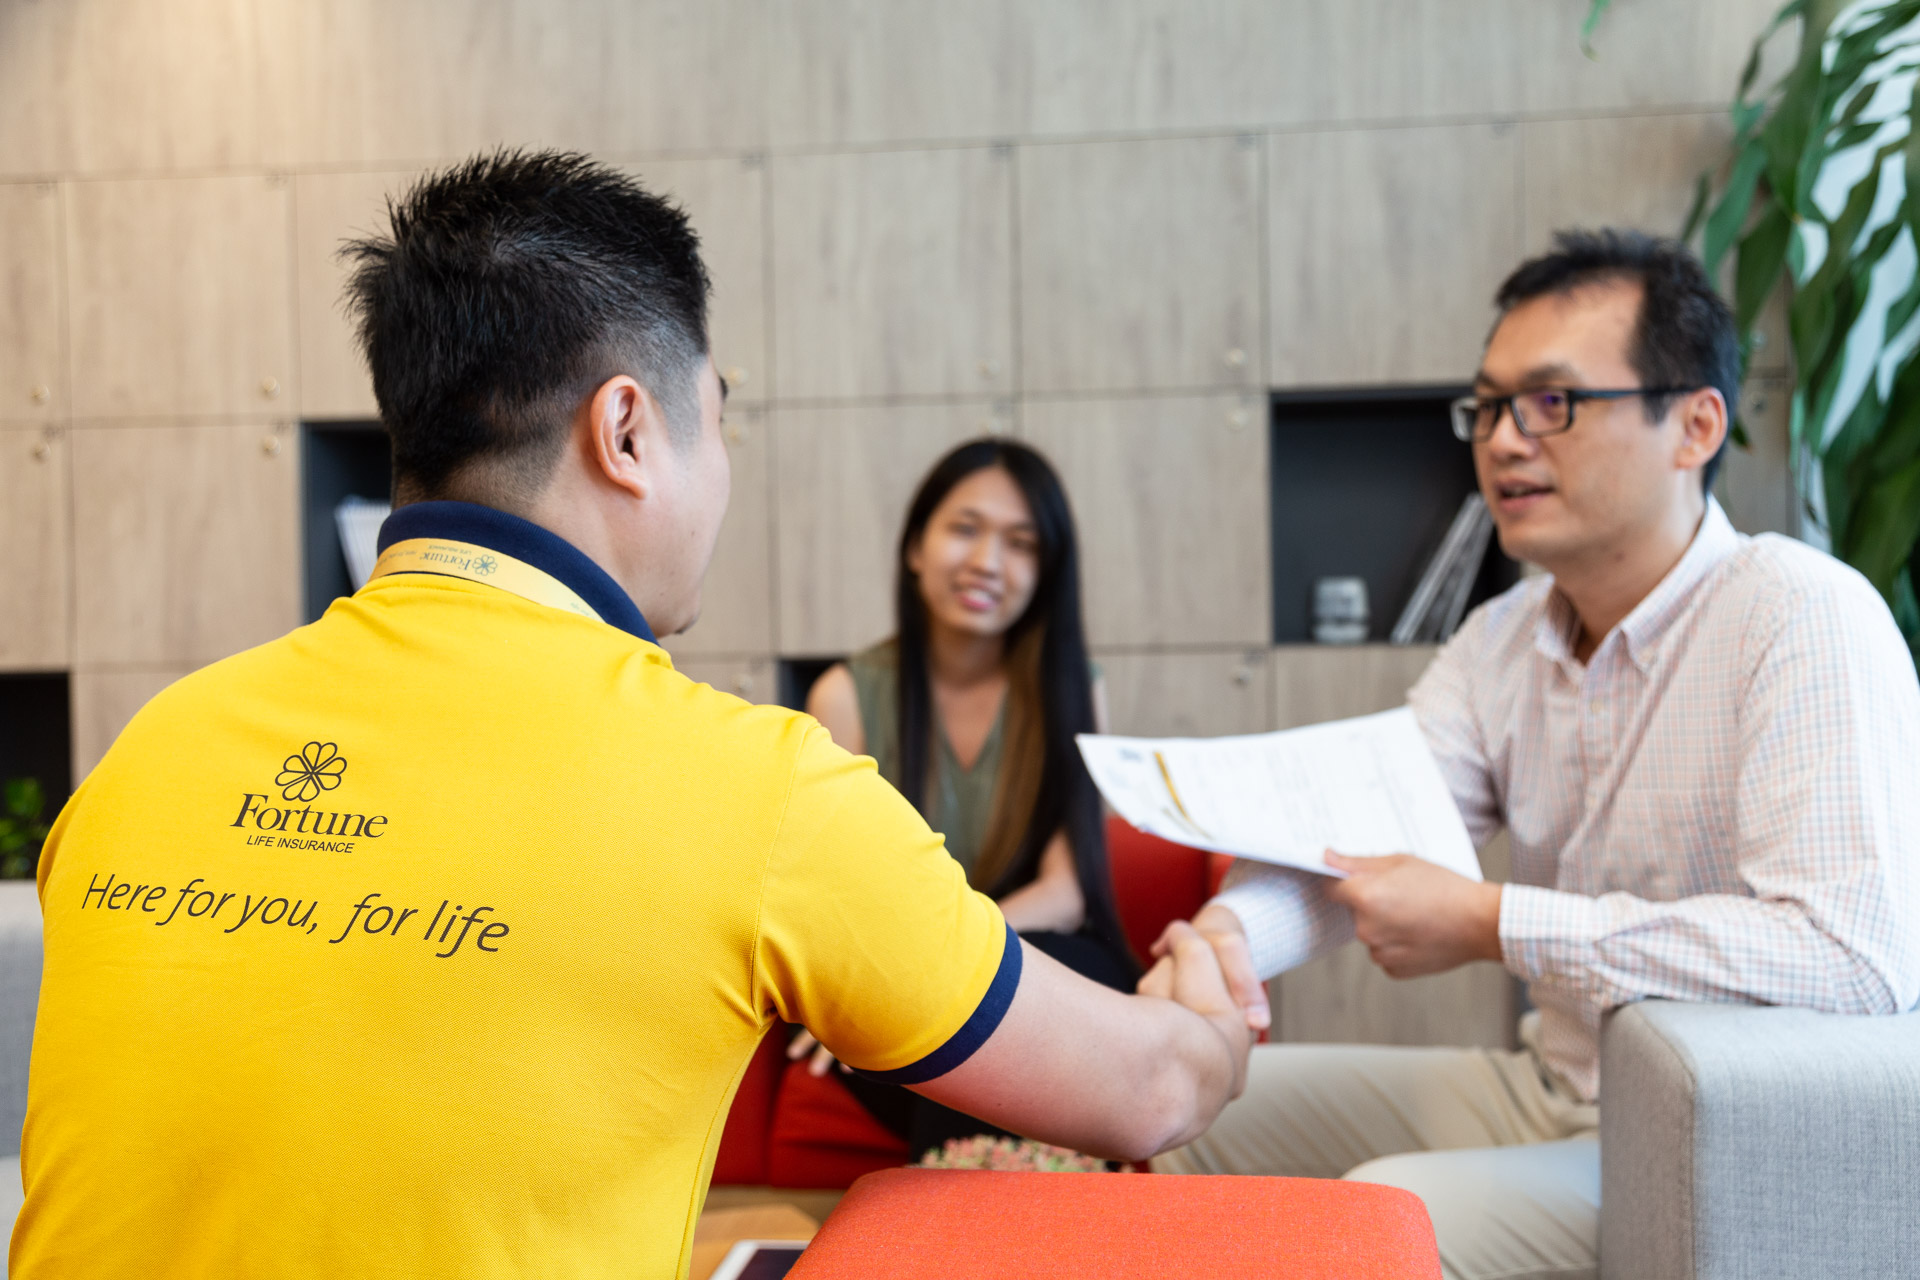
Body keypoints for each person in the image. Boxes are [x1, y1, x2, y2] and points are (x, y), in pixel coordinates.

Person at [9, 151, 1251, 1280]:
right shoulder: (760, 788)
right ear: (627, 429)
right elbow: (1150, 1092)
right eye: (718, 419)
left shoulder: (151, 748)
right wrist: (1206, 1017)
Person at [1150, 229, 1920, 1280]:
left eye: (1553, 402)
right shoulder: (1501, 639)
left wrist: (1495, 921)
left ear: (1695, 425)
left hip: (1718, 1135)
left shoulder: (1800, 615)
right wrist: (1229, 937)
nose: (1505, 440)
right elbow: (1357, 841)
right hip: (1549, 1085)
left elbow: (1852, 955)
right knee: (1191, 1099)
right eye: (1489, 406)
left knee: (1388, 1213)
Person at [799, 439, 1136, 1158]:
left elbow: (1067, 891)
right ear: (915, 547)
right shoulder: (845, 696)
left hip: (1035, 959)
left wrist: (963, 957)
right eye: (965, 529)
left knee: (1039, 985)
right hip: (897, 978)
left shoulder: (1074, 690)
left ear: (1045, 573)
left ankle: (986, 1207)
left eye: (1021, 544)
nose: (988, 561)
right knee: (946, 1019)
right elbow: (846, 897)